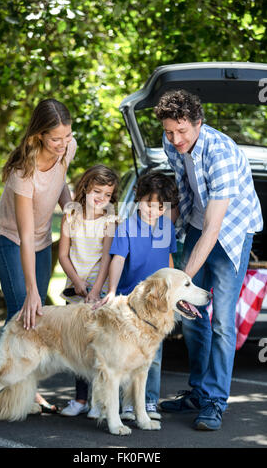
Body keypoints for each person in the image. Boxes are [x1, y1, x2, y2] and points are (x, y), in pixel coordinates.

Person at [155, 89, 263, 430]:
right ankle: (199, 391)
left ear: (198, 122)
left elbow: (215, 228)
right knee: (190, 317)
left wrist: (180, 281)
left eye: (182, 131)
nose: (175, 139)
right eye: (170, 131)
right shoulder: (171, 142)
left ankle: (215, 401)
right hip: (197, 226)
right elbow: (184, 194)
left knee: (221, 322)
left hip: (231, 232)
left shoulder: (223, 154)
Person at [0, 98, 77, 413]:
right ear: (39, 135)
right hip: (9, 238)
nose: (63, 144)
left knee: (34, 316)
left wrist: (70, 207)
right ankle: (4, 393)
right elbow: (23, 234)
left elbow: (62, 180)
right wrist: (34, 292)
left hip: (41, 239)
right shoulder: (22, 172)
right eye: (56, 139)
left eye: (67, 136)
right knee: (21, 310)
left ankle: (24, 389)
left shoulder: (67, 147)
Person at [98, 171, 178, 420]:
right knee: (127, 355)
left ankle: (149, 401)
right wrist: (111, 291)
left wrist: (174, 292)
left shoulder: (168, 227)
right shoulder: (127, 227)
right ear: (138, 199)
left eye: (159, 207)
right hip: (131, 303)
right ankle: (129, 404)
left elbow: (169, 260)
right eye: (147, 205)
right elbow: (118, 259)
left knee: (153, 356)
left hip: (157, 303)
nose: (153, 211)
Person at [58, 164, 119, 418]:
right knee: (76, 346)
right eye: (97, 192)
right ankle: (80, 399)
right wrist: (77, 282)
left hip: (99, 290)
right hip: (74, 289)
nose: (101, 199)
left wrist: (95, 290)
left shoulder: (110, 219)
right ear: (84, 188)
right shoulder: (70, 214)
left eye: (107, 195)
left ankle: (98, 402)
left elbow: (106, 259)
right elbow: (63, 255)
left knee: (98, 348)